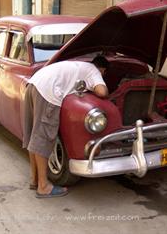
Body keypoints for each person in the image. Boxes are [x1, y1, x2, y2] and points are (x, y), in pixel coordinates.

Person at [23, 56, 109, 198]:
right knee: (43, 138)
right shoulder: (94, 71)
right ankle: (43, 187)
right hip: (48, 91)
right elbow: (102, 92)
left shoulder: (80, 65)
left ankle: (35, 179)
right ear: (103, 70)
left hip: (34, 83)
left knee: (35, 134)